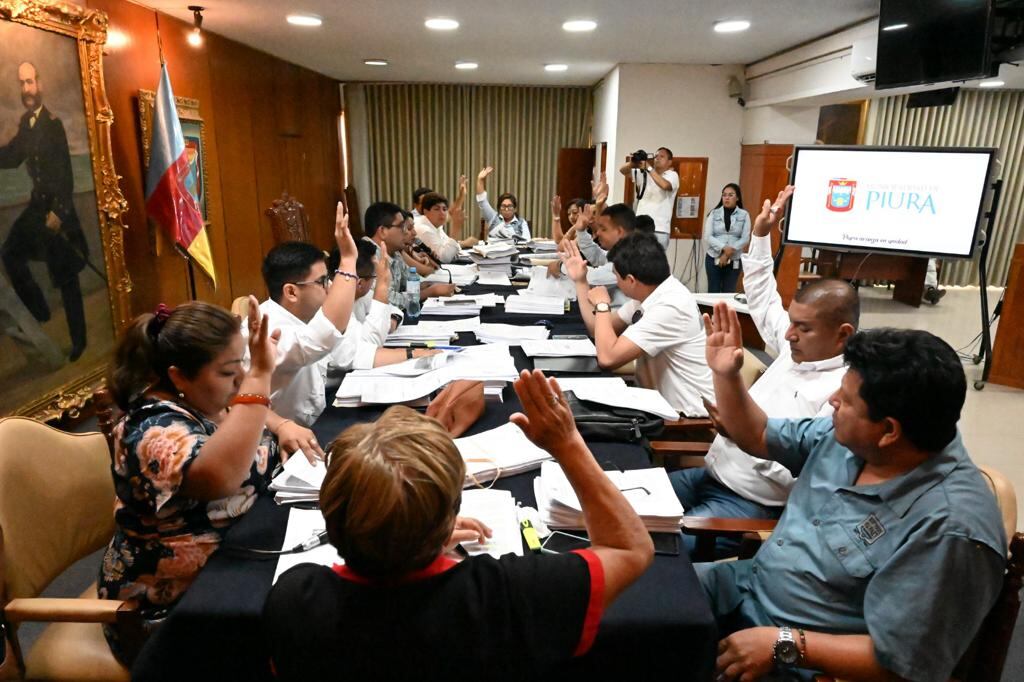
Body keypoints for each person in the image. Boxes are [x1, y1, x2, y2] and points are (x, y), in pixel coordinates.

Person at [264, 369, 654, 680]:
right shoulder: (509, 595)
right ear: (449, 513)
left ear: (331, 514)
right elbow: (629, 549)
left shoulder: (295, 601)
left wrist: (405, 531)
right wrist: (567, 443)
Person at [698, 305, 1005, 682]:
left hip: (799, 658)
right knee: (630, 603)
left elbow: (905, 664)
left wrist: (784, 643)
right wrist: (726, 374)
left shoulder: (949, 528)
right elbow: (758, 435)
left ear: (889, 430)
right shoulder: (852, 439)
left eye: (846, 400)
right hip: (746, 589)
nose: (832, 401)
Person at [671, 186, 858, 559]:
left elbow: (801, 476)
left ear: (842, 336)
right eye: (791, 323)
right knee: (614, 502)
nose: (787, 334)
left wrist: (744, 433)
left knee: (656, 550)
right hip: (708, 477)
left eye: (802, 328)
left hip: (748, 505)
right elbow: (761, 295)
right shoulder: (796, 348)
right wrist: (759, 236)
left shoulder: (843, 393)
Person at [99, 298, 281, 664]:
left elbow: (245, 429)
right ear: (179, 376)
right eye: (229, 372)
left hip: (229, 566)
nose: (240, 381)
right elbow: (221, 478)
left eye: (243, 365)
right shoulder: (151, 430)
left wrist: (282, 426)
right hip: (171, 612)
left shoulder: (203, 403)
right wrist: (260, 375)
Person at [568, 231, 713, 417]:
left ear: (631, 280)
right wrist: (581, 282)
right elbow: (597, 329)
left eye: (616, 277)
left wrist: (603, 305)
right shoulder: (653, 291)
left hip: (684, 418)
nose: (616, 283)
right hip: (653, 401)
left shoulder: (671, 306)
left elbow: (607, 358)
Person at [0, 62, 88, 361]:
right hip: (37, 207)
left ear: (40, 84)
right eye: (22, 83)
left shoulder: (53, 124)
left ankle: (79, 342)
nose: (26, 89)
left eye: (30, 82)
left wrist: (60, 213)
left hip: (57, 209)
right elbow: (12, 157)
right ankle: (39, 309)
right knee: (10, 252)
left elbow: (65, 173)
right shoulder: (27, 123)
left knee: (67, 277)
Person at [363, 201, 454, 312]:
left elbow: (408, 282)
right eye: (402, 227)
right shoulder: (367, 256)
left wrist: (425, 286)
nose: (406, 233)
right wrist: (429, 292)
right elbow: (387, 300)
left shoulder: (394, 252)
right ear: (382, 231)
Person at [552, 203, 647, 308]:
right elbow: (597, 256)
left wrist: (561, 266)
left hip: (618, 319)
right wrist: (581, 230)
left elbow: (592, 279)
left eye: (603, 229)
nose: (598, 233)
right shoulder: (622, 250)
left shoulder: (631, 256)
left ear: (620, 231)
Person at [619, 147, 678, 249]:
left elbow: (665, 186)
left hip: (659, 229)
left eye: (662, 156)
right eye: (655, 156)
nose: (657, 158)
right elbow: (622, 170)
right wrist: (633, 163)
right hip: (640, 227)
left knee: (654, 262)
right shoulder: (645, 173)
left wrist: (649, 168)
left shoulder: (672, 175)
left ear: (669, 162)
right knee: (636, 261)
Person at [704, 183, 751, 293]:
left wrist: (728, 253)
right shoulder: (714, 213)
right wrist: (724, 248)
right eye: (724, 195)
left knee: (729, 292)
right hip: (713, 256)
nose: (726, 198)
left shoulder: (744, 215)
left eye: (730, 195)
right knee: (713, 291)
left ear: (737, 198)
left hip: (734, 259)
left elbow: (745, 238)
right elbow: (708, 236)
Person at [413, 192, 478, 263]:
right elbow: (444, 259)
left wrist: (463, 243)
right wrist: (456, 229)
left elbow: (448, 246)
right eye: (437, 209)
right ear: (425, 211)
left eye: (444, 209)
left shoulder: (436, 224)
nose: (442, 213)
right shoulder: (424, 229)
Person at [476, 166, 530, 241]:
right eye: (503, 206)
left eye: (510, 206)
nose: (506, 209)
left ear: (515, 209)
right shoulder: (493, 218)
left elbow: (527, 241)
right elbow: (482, 201)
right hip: (494, 251)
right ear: (499, 208)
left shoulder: (521, 222)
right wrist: (480, 180)